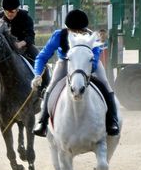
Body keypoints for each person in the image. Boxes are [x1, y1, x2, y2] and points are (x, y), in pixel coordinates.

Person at [31, 9, 120, 137]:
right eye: (73, 31)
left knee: (105, 84)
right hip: (65, 63)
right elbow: (42, 57)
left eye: (79, 31)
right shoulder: (59, 35)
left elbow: (94, 62)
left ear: (84, 29)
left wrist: (83, 70)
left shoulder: (91, 37)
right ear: (67, 28)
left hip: (88, 64)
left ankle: (112, 120)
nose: (76, 34)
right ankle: (42, 121)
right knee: (52, 86)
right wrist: (37, 74)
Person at [0, 0, 38, 101]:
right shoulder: (0, 16)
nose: (9, 14)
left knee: (39, 58)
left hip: (24, 46)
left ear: (17, 9)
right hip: (5, 48)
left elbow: (31, 36)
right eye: (6, 11)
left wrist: (21, 43)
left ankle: (43, 87)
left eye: (12, 11)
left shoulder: (26, 18)